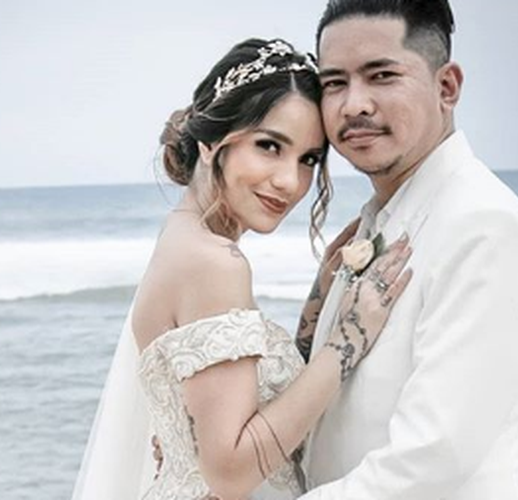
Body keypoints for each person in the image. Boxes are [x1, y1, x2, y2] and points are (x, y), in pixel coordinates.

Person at [71, 38, 413, 500]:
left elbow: (226, 417)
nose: (290, 181)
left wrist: (319, 299)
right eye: (269, 146)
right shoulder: (215, 263)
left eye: (308, 159)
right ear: (211, 142)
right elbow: (230, 472)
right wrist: (348, 339)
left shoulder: (181, 239)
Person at [295, 1, 518, 499]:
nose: (354, 105)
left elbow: (435, 453)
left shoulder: (482, 224)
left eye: (382, 76)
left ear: (446, 87)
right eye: (334, 83)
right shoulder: (372, 224)